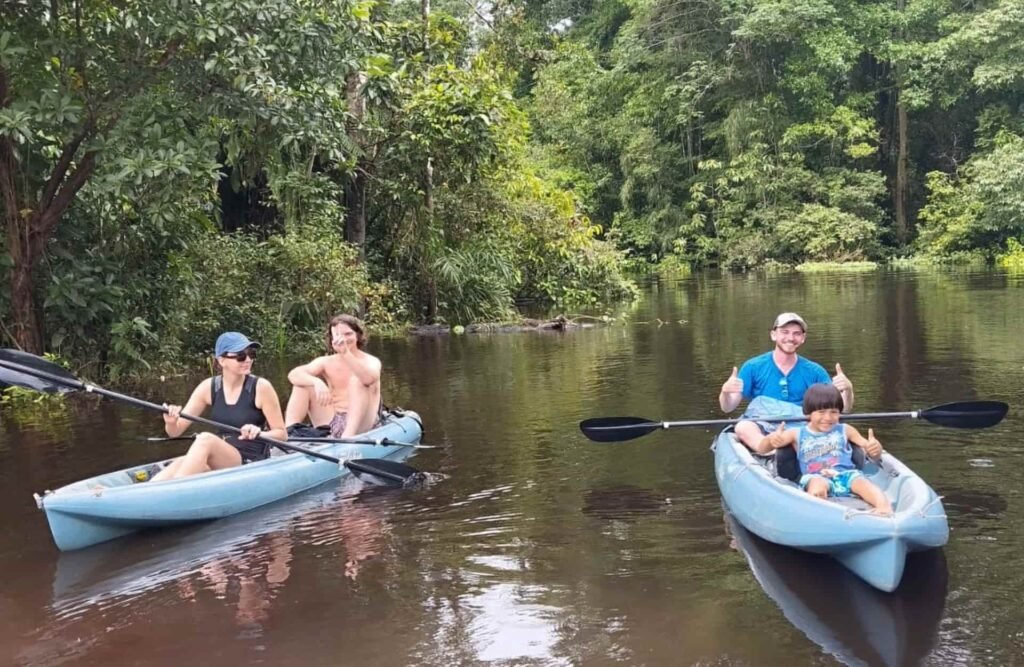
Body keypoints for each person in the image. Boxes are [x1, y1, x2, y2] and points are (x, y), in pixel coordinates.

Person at [152, 331, 287, 481]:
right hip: (221, 457)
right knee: (181, 462)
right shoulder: (208, 387)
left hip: (250, 459)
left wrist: (259, 433)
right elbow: (175, 432)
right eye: (241, 356)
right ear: (222, 361)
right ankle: (150, 490)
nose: (248, 359)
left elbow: (282, 434)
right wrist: (171, 422)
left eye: (251, 354)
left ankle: (174, 490)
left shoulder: (261, 387)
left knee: (204, 439)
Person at [719, 312, 854, 454]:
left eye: (796, 334)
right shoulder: (752, 367)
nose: (790, 338)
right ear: (773, 335)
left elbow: (843, 409)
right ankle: (770, 453)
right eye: (785, 332)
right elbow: (727, 407)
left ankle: (811, 451)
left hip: (803, 424)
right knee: (743, 427)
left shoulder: (815, 371)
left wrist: (848, 390)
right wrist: (725, 392)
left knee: (830, 423)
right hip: (762, 423)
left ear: (803, 338)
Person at [761, 383, 892, 515]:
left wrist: (876, 448)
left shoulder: (846, 430)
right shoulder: (796, 434)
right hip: (815, 476)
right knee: (817, 487)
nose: (828, 418)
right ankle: (821, 516)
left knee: (864, 484)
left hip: (847, 475)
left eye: (834, 412)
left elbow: (871, 451)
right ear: (808, 414)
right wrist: (771, 439)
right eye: (821, 412)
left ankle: (884, 509)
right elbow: (763, 449)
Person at [284, 314, 382, 439]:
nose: (343, 339)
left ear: (357, 335)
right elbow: (293, 375)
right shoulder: (326, 361)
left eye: (348, 334)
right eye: (338, 335)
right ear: (332, 338)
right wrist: (315, 381)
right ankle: (290, 435)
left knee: (357, 380)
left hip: (362, 423)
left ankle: (347, 439)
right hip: (333, 420)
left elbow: (368, 379)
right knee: (302, 385)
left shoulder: (370, 361)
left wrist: (346, 353)